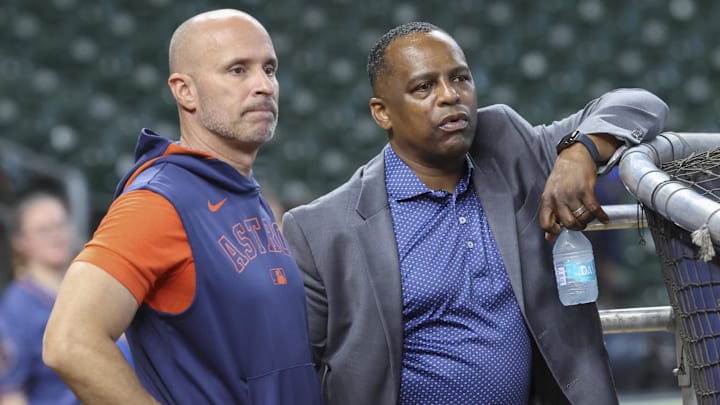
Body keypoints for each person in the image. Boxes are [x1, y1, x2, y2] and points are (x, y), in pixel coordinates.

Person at [281, 22, 669, 405]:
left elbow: (642, 105)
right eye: (424, 87)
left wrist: (578, 151)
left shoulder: (508, 145)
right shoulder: (322, 229)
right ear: (382, 113)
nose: (450, 96)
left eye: (460, 78)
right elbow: (299, 370)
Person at [42, 9, 321, 405]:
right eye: (238, 70)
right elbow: (69, 342)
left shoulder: (243, 191)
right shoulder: (158, 201)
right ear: (184, 90)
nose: (264, 85)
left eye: (270, 69)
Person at [0, 190, 132, 405]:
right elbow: (11, 393)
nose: (56, 235)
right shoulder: (16, 308)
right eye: (44, 229)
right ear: (20, 241)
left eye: (61, 225)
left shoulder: (94, 283)